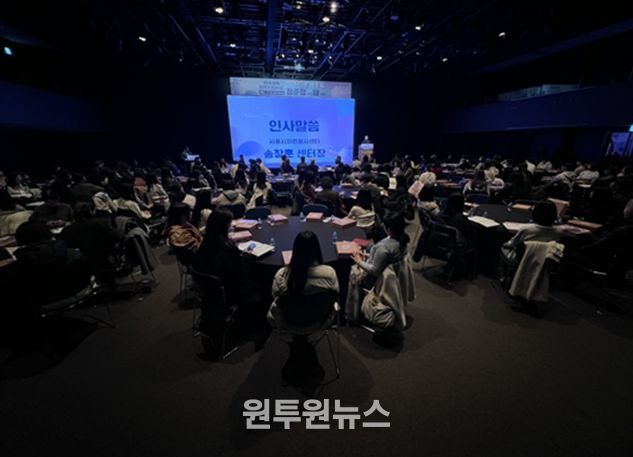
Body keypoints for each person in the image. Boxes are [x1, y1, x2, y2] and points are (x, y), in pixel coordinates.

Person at [267, 231, 339, 333]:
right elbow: (336, 293)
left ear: (295, 251)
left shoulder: (282, 275)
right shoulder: (329, 273)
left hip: (289, 322)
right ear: (317, 249)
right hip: (319, 321)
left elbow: (275, 296)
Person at [192, 208, 252, 308]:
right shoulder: (224, 247)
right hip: (227, 287)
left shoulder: (207, 240)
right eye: (229, 224)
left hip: (209, 287)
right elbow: (237, 270)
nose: (231, 226)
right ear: (223, 226)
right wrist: (242, 255)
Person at [60, 201, 124, 269]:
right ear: (91, 212)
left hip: (81, 265)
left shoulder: (68, 230)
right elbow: (119, 236)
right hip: (105, 261)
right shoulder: (101, 223)